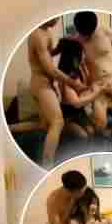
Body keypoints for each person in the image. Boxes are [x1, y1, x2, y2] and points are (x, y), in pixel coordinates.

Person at [27, 18, 86, 168]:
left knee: (43, 125)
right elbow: (51, 69)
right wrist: (73, 83)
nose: (57, 21)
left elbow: (48, 54)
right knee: (58, 122)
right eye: (55, 18)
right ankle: (47, 167)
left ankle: (8, 128)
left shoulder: (47, 32)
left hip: (45, 84)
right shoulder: (37, 35)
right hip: (41, 85)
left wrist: (62, 45)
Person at [72, 12, 112, 145]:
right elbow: (75, 64)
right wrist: (83, 84)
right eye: (84, 33)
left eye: (89, 32)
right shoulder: (77, 40)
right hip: (97, 83)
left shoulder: (107, 32)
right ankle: (101, 148)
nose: (87, 36)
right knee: (100, 123)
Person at [56, 38, 111, 142]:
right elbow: (76, 103)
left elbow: (84, 87)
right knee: (83, 135)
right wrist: (97, 92)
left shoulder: (80, 69)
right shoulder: (67, 76)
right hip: (68, 115)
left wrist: (99, 86)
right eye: (82, 52)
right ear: (75, 55)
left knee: (92, 131)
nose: (84, 55)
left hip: (80, 113)